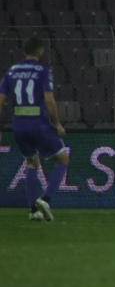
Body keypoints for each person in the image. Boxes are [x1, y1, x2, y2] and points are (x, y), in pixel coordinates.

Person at [0, 37, 70, 222]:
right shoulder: (43, 70)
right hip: (38, 123)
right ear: (41, 52)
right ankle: (45, 200)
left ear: (24, 51)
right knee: (63, 159)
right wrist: (57, 123)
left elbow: (0, 100)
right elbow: (49, 100)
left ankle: (33, 211)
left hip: (18, 125)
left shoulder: (11, 71)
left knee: (32, 162)